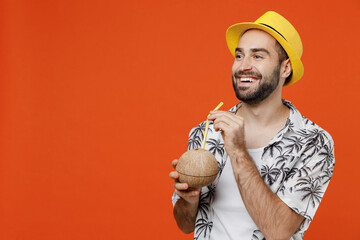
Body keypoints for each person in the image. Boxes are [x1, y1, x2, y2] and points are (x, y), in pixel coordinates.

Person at [169, 11, 335, 240]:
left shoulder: (313, 142)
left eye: (258, 56)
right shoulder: (206, 132)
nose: (243, 66)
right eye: (239, 56)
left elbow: (279, 231)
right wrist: (188, 201)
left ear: (285, 68)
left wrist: (238, 150)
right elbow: (185, 225)